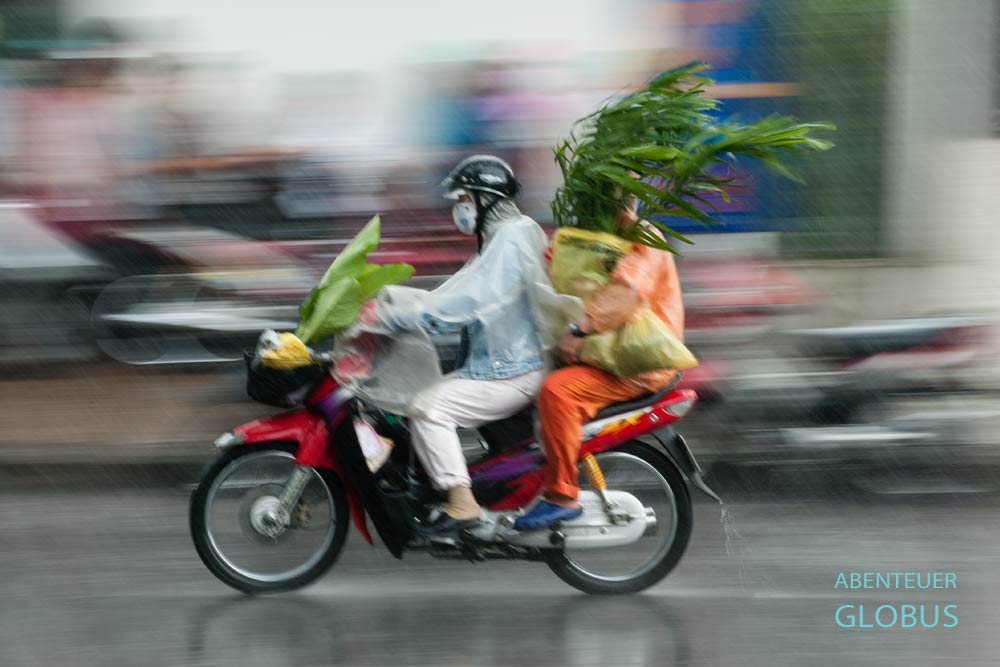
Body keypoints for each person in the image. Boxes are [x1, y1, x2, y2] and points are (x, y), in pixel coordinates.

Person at [375, 155, 556, 536]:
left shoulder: (510, 240)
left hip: (511, 371)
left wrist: (401, 317)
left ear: (486, 197)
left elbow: (470, 302)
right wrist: (390, 302)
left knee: (428, 409)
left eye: (464, 199)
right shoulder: (501, 238)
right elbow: (454, 290)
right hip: (500, 364)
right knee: (420, 397)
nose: (459, 208)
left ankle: (462, 503)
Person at [514, 204, 685, 531]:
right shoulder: (595, 235)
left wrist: (580, 328)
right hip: (603, 353)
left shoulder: (642, 236)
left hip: (636, 364)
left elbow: (627, 292)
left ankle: (562, 495)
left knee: (558, 391)